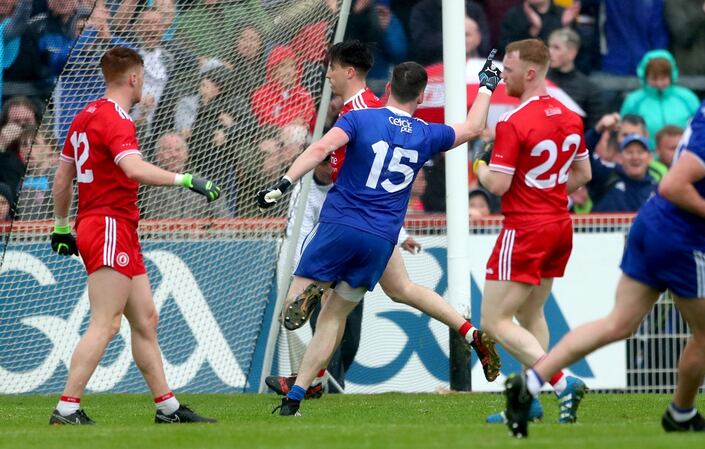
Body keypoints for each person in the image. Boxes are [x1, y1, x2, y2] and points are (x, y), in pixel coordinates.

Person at [504, 53, 705, 436]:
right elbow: (672, 184)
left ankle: (530, 384)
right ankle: (680, 414)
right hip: (680, 237)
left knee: (617, 324)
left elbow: (704, 161)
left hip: (650, 224)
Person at [258, 52, 502, 416]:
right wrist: (487, 86)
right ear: (420, 98)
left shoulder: (359, 117)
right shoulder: (426, 134)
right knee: (335, 316)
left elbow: (321, 148)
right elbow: (472, 128)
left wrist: (283, 181)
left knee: (294, 308)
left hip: (340, 226)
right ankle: (295, 397)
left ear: (387, 88)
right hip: (379, 241)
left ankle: (310, 293)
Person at [48, 47, 220, 425]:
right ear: (134, 78)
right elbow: (133, 169)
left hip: (108, 225)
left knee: (145, 318)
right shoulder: (117, 119)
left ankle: (168, 408)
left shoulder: (84, 116)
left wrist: (62, 226)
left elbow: (62, 177)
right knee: (106, 323)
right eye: (142, 75)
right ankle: (67, 407)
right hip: (109, 223)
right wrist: (186, 179)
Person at [473, 38, 592, 433]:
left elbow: (499, 185)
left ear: (529, 73)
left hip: (525, 226)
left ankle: (561, 381)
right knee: (530, 314)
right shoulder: (571, 116)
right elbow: (583, 175)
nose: (502, 76)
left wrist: (478, 164)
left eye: (507, 70)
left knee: (494, 320)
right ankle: (531, 400)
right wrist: (547, 191)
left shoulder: (514, 122)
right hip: (559, 224)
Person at [620, 50, 700, 148]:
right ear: (645, 77)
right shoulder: (633, 101)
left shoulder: (688, 98)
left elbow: (701, 127)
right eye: (654, 78)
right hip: (645, 158)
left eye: (663, 78)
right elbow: (623, 132)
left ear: (672, 76)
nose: (659, 83)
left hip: (684, 155)